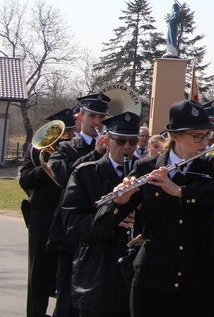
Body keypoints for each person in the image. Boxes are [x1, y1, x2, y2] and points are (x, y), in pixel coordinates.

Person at [97, 99, 214, 317]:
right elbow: (104, 223)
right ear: (175, 137)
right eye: (197, 136)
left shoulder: (210, 166)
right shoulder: (147, 167)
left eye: (207, 135)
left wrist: (182, 192)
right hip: (152, 280)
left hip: (196, 284)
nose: (205, 142)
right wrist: (120, 201)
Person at [60, 112, 142, 317]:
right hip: (98, 273)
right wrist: (113, 215)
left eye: (133, 142)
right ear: (106, 141)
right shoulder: (85, 173)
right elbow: (74, 225)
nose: (127, 148)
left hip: (134, 274)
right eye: (121, 141)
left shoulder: (143, 173)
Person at [47, 93, 110, 317]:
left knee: (94, 298)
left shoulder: (113, 149)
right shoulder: (65, 148)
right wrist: (96, 154)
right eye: (92, 116)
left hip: (99, 233)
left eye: (102, 116)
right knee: (67, 297)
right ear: (79, 118)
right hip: (70, 235)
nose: (97, 122)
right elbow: (63, 176)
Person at [19, 108, 76, 317]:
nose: (67, 135)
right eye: (64, 131)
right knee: (38, 273)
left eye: (70, 130)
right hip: (42, 217)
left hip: (64, 218)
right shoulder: (36, 152)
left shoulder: (73, 150)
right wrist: (43, 168)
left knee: (64, 274)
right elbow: (24, 179)